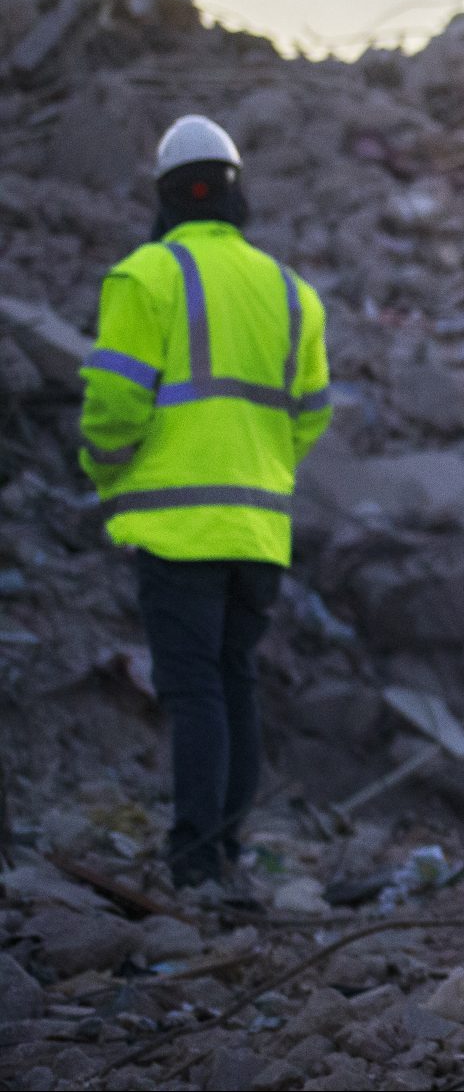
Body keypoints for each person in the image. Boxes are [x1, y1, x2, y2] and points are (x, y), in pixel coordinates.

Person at [78, 115, 332, 891]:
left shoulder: (144, 277)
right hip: (257, 529)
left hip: (176, 526)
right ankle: (225, 849)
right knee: (235, 684)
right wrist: (261, 471)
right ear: (237, 196)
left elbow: (114, 407)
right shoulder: (292, 294)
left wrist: (107, 472)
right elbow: (313, 411)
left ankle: (193, 859)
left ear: (164, 198)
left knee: (192, 692)